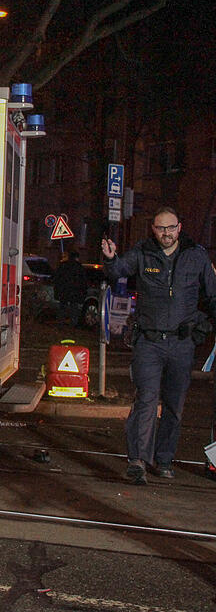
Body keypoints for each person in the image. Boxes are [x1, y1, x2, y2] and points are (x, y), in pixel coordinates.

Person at [102, 206, 216, 484]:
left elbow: (213, 296)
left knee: (175, 406)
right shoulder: (143, 253)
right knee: (146, 399)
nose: (166, 233)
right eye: (160, 228)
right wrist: (110, 258)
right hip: (149, 343)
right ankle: (138, 460)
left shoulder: (196, 256)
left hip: (182, 344)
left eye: (170, 227)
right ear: (153, 229)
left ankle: (163, 460)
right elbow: (118, 270)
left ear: (180, 227)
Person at [52, 250, 86, 326]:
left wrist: (57, 290)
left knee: (62, 306)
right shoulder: (79, 267)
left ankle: (60, 322)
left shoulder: (64, 265)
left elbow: (57, 278)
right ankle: (73, 324)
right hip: (74, 292)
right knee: (74, 307)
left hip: (64, 291)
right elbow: (83, 281)